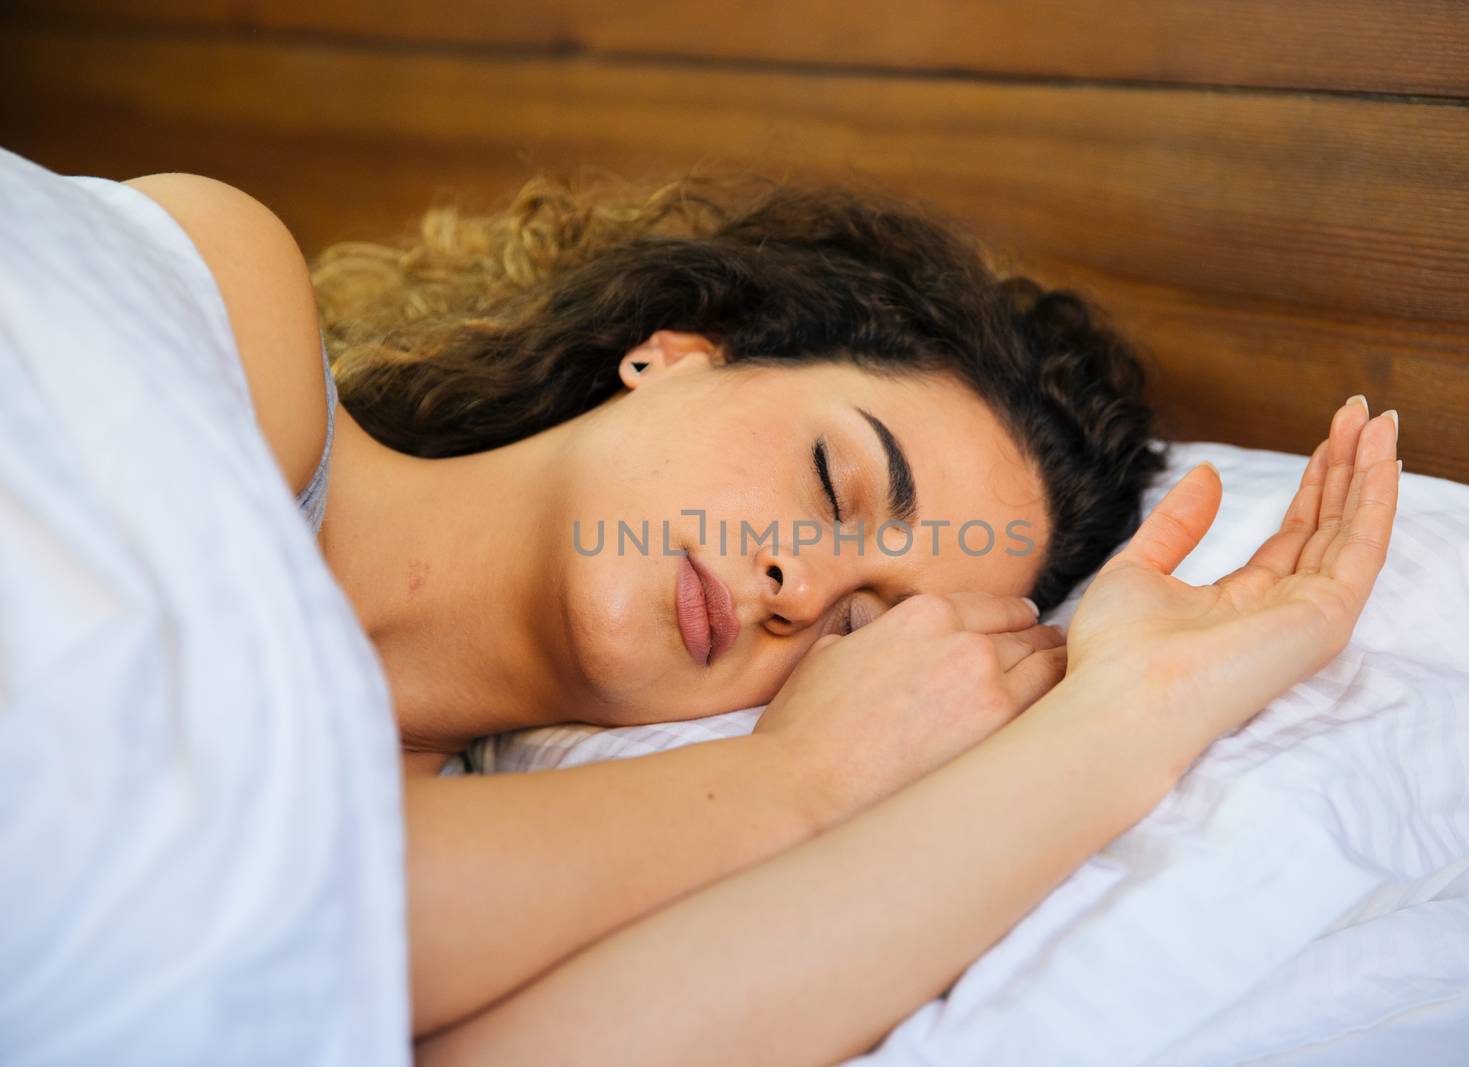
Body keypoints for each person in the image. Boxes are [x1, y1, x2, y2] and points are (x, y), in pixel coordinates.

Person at [123, 169, 1399, 1064]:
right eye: (834, 481)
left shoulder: (469, 867)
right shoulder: (236, 320)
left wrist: (1122, 724)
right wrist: (798, 779)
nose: (798, 587)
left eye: (863, 632)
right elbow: (231, 891)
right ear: (678, 351)